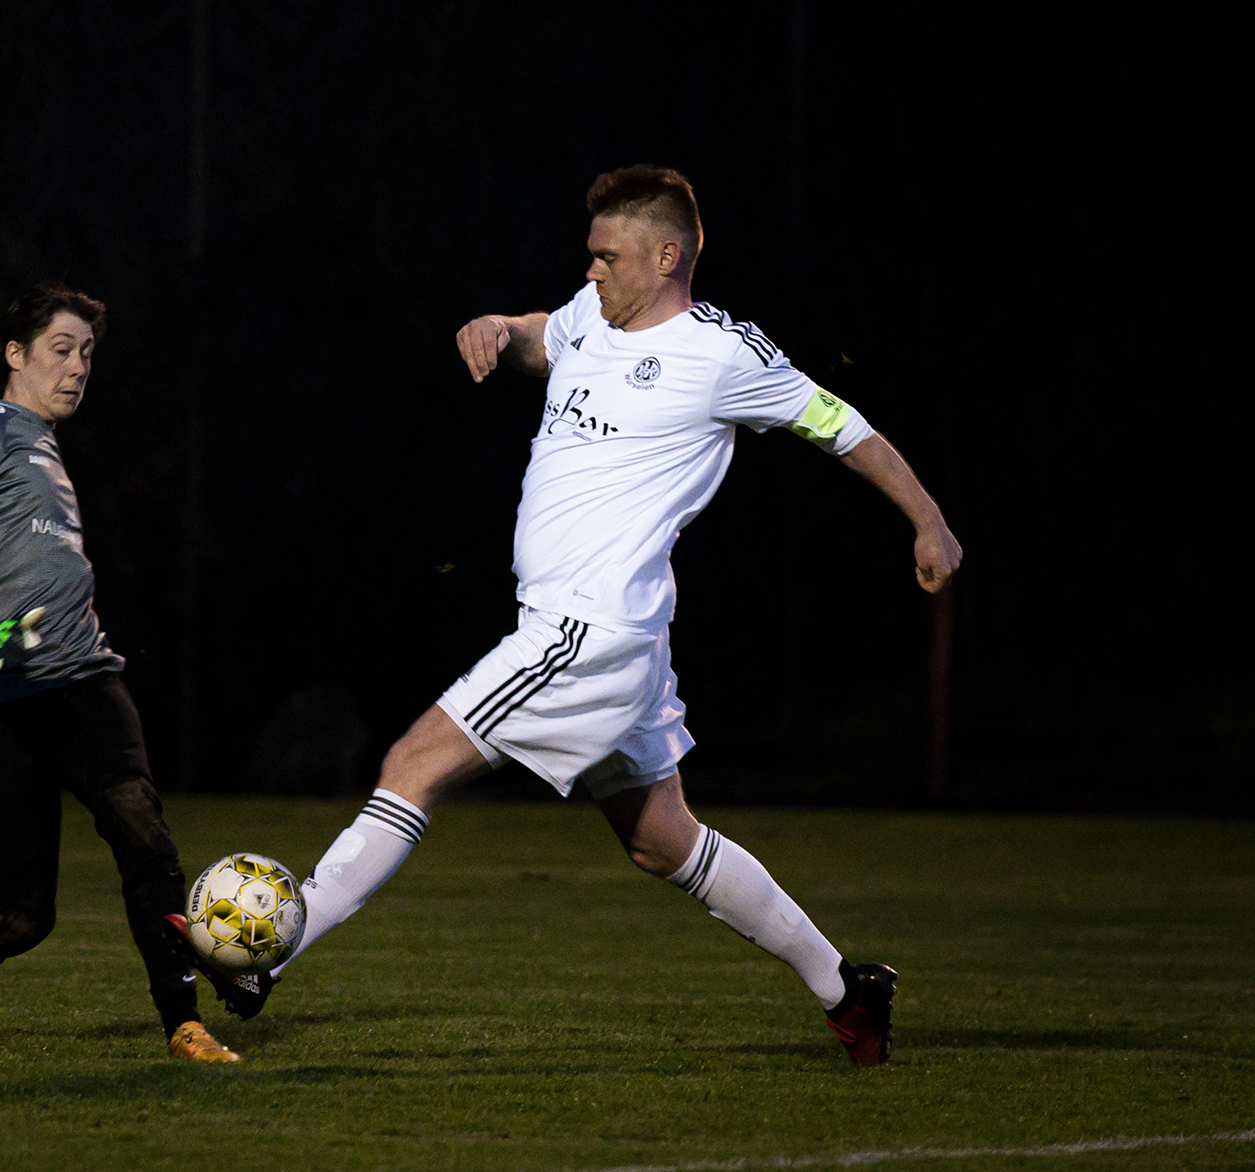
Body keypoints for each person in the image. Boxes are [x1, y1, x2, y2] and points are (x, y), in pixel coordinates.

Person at [180, 166, 962, 1067]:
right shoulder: (594, 314)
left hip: (586, 632)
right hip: (616, 637)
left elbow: (841, 424)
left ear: (665, 257)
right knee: (663, 842)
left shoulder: (723, 355)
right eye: (589, 255)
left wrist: (928, 521)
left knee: (412, 763)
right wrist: (498, 327)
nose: (591, 270)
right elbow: (537, 336)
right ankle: (848, 991)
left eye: (607, 256)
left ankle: (267, 959)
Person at [0, 283, 240, 1064]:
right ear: (15, 354)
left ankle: (183, 1022)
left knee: (144, 836)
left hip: (83, 675)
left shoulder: (48, 451)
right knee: (21, 916)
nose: (79, 366)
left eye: (87, 353)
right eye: (61, 349)